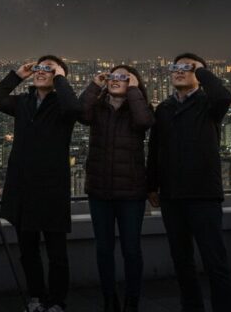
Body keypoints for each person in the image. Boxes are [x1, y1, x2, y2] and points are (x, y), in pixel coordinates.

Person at [0, 55, 80, 312]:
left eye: (49, 70)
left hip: (52, 186)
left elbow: (75, 109)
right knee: (28, 250)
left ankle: (58, 301)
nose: (41, 72)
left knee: (56, 252)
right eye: (39, 68)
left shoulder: (63, 104)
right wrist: (17, 75)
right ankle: (36, 297)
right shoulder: (24, 102)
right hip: (23, 185)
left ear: (59, 76)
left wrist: (60, 77)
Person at [147, 53, 231, 312]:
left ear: (199, 72)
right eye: (176, 67)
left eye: (187, 67)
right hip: (172, 195)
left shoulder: (209, 103)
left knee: (214, 261)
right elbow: (155, 148)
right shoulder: (164, 108)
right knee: (181, 261)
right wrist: (151, 184)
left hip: (203, 194)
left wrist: (201, 70)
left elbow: (224, 96)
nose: (179, 71)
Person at [80, 65, 154, 312]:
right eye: (112, 76)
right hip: (100, 191)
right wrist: (94, 84)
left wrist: (134, 90)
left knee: (131, 249)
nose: (115, 80)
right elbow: (80, 113)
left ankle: (132, 300)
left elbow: (145, 122)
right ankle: (109, 299)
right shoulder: (98, 109)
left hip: (131, 192)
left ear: (133, 82)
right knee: (104, 249)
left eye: (123, 77)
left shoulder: (138, 108)